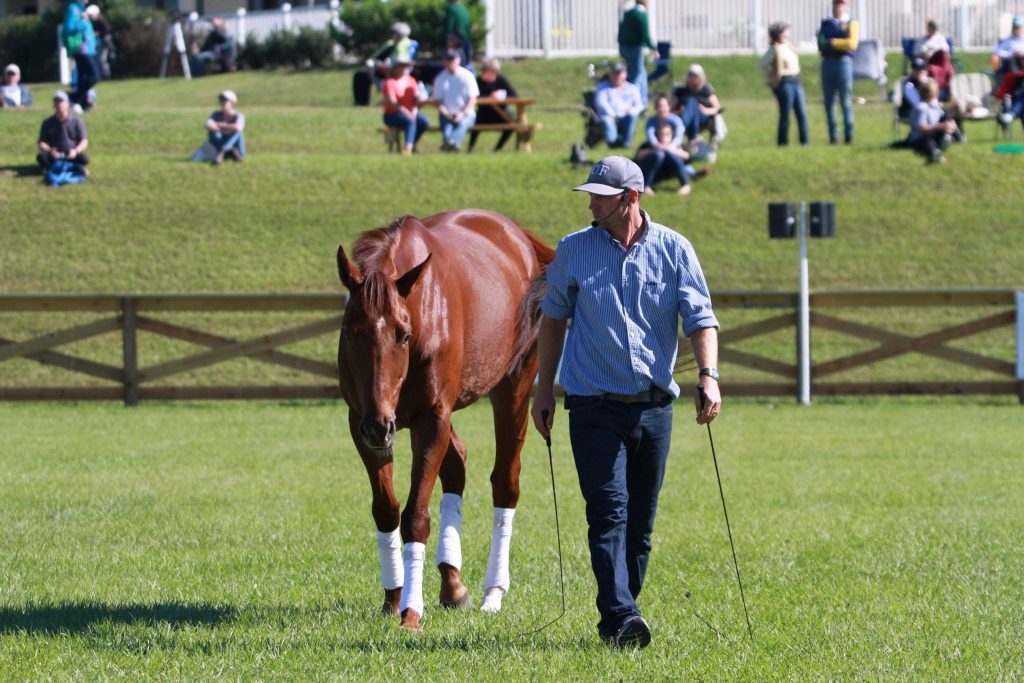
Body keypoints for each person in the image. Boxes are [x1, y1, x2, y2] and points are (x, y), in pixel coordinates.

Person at [531, 155, 721, 649]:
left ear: (630, 199)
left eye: (601, 196)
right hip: (593, 404)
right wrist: (542, 388)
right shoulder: (573, 251)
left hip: (655, 407)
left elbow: (700, 318)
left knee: (640, 524)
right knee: (608, 512)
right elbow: (553, 319)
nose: (591, 203)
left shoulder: (675, 249)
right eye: (590, 195)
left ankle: (620, 617)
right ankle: (621, 613)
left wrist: (709, 376)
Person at [635, 95, 706, 196]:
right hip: (656, 169)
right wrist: (657, 147)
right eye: (659, 106)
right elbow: (638, 156)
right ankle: (646, 186)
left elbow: (687, 156)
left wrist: (670, 147)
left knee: (671, 154)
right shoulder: (650, 131)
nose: (662, 108)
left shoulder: (676, 123)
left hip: (671, 164)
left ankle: (685, 184)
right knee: (659, 154)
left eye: (664, 105)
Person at [817, 0, 859, 144]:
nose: (838, 6)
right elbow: (821, 43)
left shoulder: (851, 23)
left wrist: (833, 42)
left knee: (845, 101)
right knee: (829, 102)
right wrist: (839, 43)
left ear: (846, 5)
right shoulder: (826, 23)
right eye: (836, 3)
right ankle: (833, 136)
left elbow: (852, 44)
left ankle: (848, 135)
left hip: (844, 62)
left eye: (841, 4)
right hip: (828, 62)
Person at [766, 22, 809, 147]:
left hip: (796, 80)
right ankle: (782, 142)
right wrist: (772, 80)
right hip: (785, 82)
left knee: (801, 113)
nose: (787, 33)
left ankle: (804, 141)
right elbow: (765, 65)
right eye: (785, 31)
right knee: (785, 114)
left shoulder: (788, 45)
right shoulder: (775, 48)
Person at [432, 49, 478, 152]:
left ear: (458, 60)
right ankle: (452, 145)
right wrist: (447, 114)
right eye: (448, 59)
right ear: (444, 61)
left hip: (467, 114)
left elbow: (472, 99)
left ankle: (450, 144)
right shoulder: (440, 78)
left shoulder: (467, 76)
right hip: (446, 114)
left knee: (462, 124)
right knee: (447, 129)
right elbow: (438, 101)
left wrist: (462, 114)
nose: (450, 62)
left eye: (452, 59)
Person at [382, 57, 429, 156]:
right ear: (396, 68)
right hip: (392, 115)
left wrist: (414, 110)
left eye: (407, 66)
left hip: (410, 112)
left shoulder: (411, 80)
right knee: (410, 121)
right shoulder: (389, 82)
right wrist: (409, 114)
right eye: (403, 66)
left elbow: (416, 98)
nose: (406, 68)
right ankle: (408, 148)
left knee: (424, 121)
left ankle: (411, 142)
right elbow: (394, 104)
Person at [469, 57, 517, 152]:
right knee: (475, 127)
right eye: (483, 70)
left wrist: (502, 97)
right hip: (483, 114)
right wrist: (489, 97)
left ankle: (497, 149)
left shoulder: (501, 80)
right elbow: (473, 96)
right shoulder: (478, 81)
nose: (483, 72)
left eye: (485, 70)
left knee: (512, 124)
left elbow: (514, 96)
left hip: (501, 114)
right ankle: (470, 149)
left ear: (494, 71)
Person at [617, 0, 658, 106]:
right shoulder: (642, 16)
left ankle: (643, 101)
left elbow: (621, 31)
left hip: (624, 47)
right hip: (635, 49)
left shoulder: (628, 13)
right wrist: (654, 49)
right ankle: (631, 102)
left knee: (642, 73)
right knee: (635, 76)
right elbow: (646, 36)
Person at [595, 62, 644, 149]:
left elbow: (639, 105)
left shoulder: (632, 88)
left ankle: (626, 143)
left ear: (625, 74)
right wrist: (612, 113)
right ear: (610, 75)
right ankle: (613, 144)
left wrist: (632, 110)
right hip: (610, 115)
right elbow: (601, 102)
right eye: (614, 74)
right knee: (607, 120)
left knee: (632, 116)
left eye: (619, 73)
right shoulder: (603, 87)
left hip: (626, 116)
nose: (617, 76)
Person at [671, 64, 723, 145]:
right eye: (690, 76)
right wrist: (678, 112)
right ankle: (693, 138)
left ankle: (683, 126)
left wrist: (706, 110)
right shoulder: (680, 91)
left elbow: (717, 108)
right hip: (683, 115)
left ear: (701, 77)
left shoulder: (706, 90)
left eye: (695, 76)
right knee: (692, 104)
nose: (692, 79)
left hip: (702, 116)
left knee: (693, 103)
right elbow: (669, 109)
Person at [37, 90, 89, 170]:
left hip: (71, 152)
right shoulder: (47, 122)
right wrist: (50, 150)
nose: (59, 104)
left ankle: (68, 165)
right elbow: (41, 142)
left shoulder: (77, 121)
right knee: (41, 158)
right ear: (53, 105)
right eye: (57, 102)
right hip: (55, 153)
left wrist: (75, 151)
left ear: (67, 104)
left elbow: (84, 141)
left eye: (61, 102)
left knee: (85, 158)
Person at [63, 0, 99, 113]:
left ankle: (81, 103)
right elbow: (69, 28)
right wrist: (83, 21)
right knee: (94, 76)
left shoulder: (81, 9)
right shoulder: (73, 9)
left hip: (86, 49)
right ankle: (72, 98)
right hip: (80, 49)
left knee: (83, 77)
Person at [908, 81, 956, 164]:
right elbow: (921, 129)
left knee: (947, 116)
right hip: (920, 138)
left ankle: (947, 139)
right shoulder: (921, 108)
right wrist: (940, 126)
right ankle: (934, 154)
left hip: (934, 133)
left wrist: (950, 125)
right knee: (928, 142)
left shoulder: (937, 106)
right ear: (935, 93)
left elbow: (943, 118)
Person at [203, 90, 246, 165]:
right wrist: (227, 130)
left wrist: (221, 125)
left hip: (238, 150)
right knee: (213, 133)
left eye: (225, 100)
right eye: (221, 100)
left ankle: (224, 151)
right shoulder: (216, 114)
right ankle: (228, 151)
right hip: (222, 144)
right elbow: (208, 124)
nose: (222, 102)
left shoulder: (239, 115)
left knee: (238, 133)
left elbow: (238, 128)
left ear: (232, 103)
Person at [86, 4, 113, 81]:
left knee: (102, 59)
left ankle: (106, 76)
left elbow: (107, 31)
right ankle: (98, 76)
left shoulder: (101, 21)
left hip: (103, 43)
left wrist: (97, 33)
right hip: (96, 44)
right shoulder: (92, 22)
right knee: (96, 60)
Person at [993, 16, 1024, 80]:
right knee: (1012, 59)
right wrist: (1011, 53)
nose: (1018, 30)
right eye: (1016, 28)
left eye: (1019, 28)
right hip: (1012, 64)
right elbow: (997, 52)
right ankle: (1017, 77)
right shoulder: (1008, 40)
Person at [445, 0, 473, 69]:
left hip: (456, 41)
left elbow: (449, 27)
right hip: (466, 40)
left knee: (456, 64)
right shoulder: (463, 8)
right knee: (467, 64)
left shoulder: (451, 8)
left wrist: (448, 43)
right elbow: (469, 25)